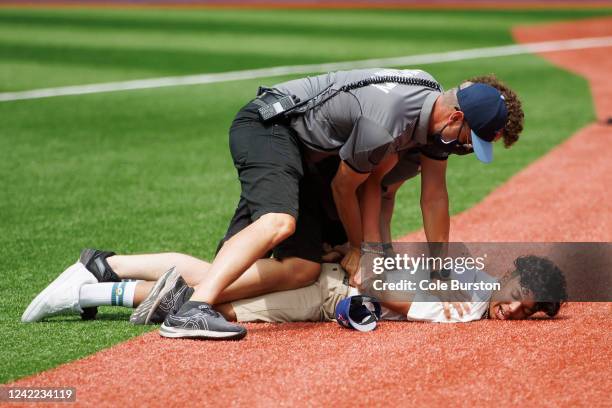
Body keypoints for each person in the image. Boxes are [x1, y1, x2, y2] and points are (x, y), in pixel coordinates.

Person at [160, 68, 524, 339]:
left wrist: (438, 271)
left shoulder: (431, 112)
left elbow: (431, 197)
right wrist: (359, 249)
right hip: (273, 130)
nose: (462, 148)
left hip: (309, 158)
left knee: (268, 265)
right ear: (456, 118)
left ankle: (106, 273)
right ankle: (192, 308)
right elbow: (344, 188)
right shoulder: (388, 124)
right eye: (466, 139)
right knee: (279, 225)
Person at [21, 252, 567, 329]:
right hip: (330, 289)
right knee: (222, 303)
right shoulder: (469, 288)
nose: (517, 308)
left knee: (215, 275)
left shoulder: (473, 283)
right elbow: (387, 282)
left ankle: (102, 266)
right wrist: (365, 298)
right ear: (513, 275)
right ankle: (86, 292)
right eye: (522, 293)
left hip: (335, 281)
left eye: (530, 311)